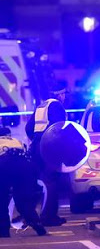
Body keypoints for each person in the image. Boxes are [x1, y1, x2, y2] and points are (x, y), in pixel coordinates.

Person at [25, 85, 67, 226]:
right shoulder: (57, 106)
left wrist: (37, 139)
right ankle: (49, 217)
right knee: (52, 181)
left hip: (37, 146)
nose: (64, 96)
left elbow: (28, 127)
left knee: (39, 182)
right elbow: (59, 128)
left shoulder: (42, 106)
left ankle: (31, 215)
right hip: (49, 147)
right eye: (63, 93)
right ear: (59, 94)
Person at [0, 128, 46, 237]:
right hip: (23, 164)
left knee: (1, 199)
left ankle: (3, 232)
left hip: (3, 164)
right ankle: (37, 224)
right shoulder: (17, 141)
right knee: (23, 200)